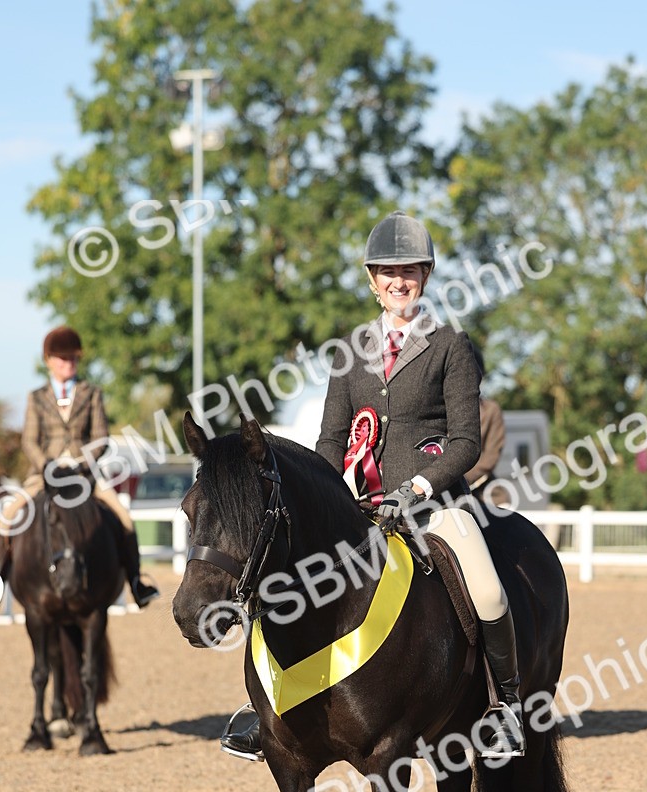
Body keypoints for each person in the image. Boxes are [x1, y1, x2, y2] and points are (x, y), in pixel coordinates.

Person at [221, 211, 526, 762]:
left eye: (409, 271)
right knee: (280, 575)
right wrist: (320, 497)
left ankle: (505, 707)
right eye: (388, 272)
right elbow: (330, 440)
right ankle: (262, 703)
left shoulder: (451, 346)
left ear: (425, 276)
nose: (398, 281)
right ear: (372, 280)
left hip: (433, 506)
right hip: (358, 507)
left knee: (487, 589)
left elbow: (465, 442)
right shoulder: (349, 351)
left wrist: (419, 487)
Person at [0, 326, 159, 609]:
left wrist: (81, 462)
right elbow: (29, 441)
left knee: (123, 517)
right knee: (8, 515)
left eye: (73, 358)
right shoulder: (37, 397)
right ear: (49, 360)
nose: (68, 363)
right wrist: (46, 465)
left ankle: (136, 581)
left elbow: (101, 437)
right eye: (62, 359)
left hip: (84, 475)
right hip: (44, 475)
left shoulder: (91, 393)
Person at [464, 347, 506, 493]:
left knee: (503, 505)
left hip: (482, 488)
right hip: (437, 487)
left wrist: (459, 480)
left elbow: (491, 456)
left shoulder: (491, 410)